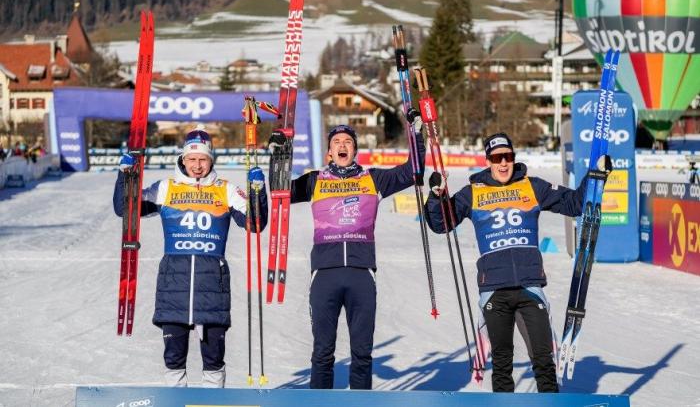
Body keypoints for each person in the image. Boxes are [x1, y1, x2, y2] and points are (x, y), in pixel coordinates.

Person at [424, 132, 610, 393]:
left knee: (544, 361)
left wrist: (595, 176)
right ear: (488, 160)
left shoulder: (531, 186)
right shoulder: (472, 193)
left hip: (529, 287)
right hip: (494, 291)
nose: (503, 163)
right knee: (502, 364)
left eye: (508, 157)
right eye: (497, 158)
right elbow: (441, 223)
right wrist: (436, 197)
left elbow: (575, 204)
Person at [269, 117, 424, 390]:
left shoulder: (373, 179)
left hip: (361, 273)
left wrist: (416, 135)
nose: (342, 146)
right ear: (329, 151)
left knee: (362, 354)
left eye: (348, 142)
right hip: (325, 274)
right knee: (322, 353)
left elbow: (413, 171)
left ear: (355, 150)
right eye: (337, 142)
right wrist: (279, 154)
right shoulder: (315, 180)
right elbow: (280, 190)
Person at [113, 128, 268, 388]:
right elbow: (124, 209)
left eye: (203, 160)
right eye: (192, 159)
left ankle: (212, 403)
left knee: (214, 357)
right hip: (174, 284)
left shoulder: (226, 190)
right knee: (173, 356)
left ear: (211, 161)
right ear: (183, 160)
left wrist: (258, 192)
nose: (197, 166)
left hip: (212, 287)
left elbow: (256, 224)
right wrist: (125, 176)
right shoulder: (165, 188)